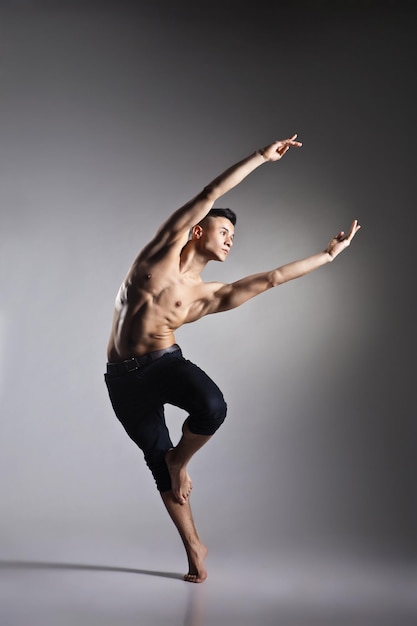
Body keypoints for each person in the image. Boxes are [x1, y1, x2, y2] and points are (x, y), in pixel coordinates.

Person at [104, 135, 360, 583]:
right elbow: (210, 195)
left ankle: (180, 460)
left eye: (234, 237)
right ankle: (194, 549)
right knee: (155, 461)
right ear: (198, 230)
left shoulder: (210, 295)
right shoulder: (158, 254)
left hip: (164, 363)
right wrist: (262, 157)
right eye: (226, 232)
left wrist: (328, 254)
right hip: (121, 380)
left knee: (212, 406)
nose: (231, 241)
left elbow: (273, 278)